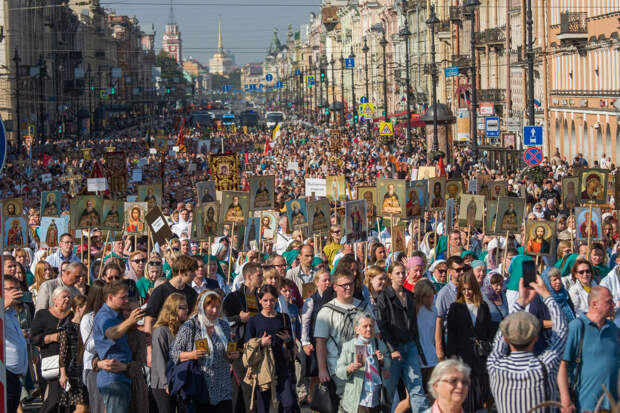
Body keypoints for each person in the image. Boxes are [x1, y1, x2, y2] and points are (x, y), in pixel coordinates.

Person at [487, 275, 568, 413]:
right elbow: (562, 329)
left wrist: (520, 302)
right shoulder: (546, 365)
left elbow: (500, 337)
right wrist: (546, 294)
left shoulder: (494, 365)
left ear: (507, 339)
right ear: (535, 338)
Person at [315, 270, 375, 401]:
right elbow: (320, 342)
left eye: (351, 284)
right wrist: (322, 369)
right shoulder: (326, 312)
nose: (348, 287)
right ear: (335, 287)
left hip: (364, 366)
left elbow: (373, 336)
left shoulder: (364, 307)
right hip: (339, 367)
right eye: (344, 285)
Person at [376, 262, 428, 412]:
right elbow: (382, 326)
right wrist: (391, 349)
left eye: (402, 273)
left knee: (416, 386)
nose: (401, 276)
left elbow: (413, 325)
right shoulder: (384, 297)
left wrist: (418, 348)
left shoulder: (410, 296)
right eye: (397, 273)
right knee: (389, 390)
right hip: (393, 347)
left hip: (410, 345)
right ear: (390, 275)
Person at [558, 286, 618, 412]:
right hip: (586, 405)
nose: (613, 304)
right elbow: (562, 365)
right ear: (594, 304)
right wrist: (565, 399)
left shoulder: (613, 329)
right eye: (608, 301)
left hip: (612, 404)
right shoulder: (577, 327)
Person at [244, 285, 298, 413]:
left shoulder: (283, 318)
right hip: (262, 366)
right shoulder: (254, 321)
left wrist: (288, 340)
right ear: (260, 300)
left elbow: (290, 346)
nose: (269, 303)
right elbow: (247, 346)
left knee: (288, 403)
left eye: (272, 300)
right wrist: (260, 343)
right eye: (265, 300)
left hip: (281, 365)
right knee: (263, 405)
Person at [93, 280, 145, 412]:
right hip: (113, 378)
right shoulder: (105, 316)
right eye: (123, 297)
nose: (126, 300)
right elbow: (112, 333)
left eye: (127, 297)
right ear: (110, 297)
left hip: (123, 377)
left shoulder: (117, 315)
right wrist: (129, 321)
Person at [446, 272, 493, 412]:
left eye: (469, 289)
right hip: (462, 353)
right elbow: (451, 332)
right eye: (463, 289)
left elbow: (488, 331)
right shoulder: (455, 307)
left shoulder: (483, 307)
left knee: (481, 390)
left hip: (480, 356)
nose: (466, 292)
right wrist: (452, 354)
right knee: (465, 391)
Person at [222, 262, 263, 413]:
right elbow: (222, 320)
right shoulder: (235, 297)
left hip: (255, 349)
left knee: (253, 388)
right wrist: (239, 319)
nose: (262, 278)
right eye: (259, 275)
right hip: (238, 349)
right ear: (248, 276)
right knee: (246, 387)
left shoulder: (260, 298)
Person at [145, 256, 199, 363]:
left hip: (184, 345)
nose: (195, 274)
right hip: (163, 341)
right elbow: (149, 320)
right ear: (181, 271)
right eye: (191, 271)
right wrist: (149, 351)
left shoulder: (192, 293)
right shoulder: (160, 291)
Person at [336, 313, 391, 413]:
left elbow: (388, 362)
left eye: (371, 326)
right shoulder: (349, 346)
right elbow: (339, 371)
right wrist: (349, 368)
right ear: (357, 329)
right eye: (365, 326)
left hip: (376, 397)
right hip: (358, 398)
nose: (369, 329)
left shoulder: (379, 344)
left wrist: (382, 361)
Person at [31, 286, 73, 413]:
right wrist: (51, 337)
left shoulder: (72, 316)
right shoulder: (43, 315)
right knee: (54, 398)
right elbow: (33, 338)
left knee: (69, 400)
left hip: (70, 361)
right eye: (63, 297)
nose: (67, 299)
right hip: (52, 361)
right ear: (55, 299)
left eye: (69, 297)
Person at [150, 292, 189, 413]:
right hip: (162, 383)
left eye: (187, 307)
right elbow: (159, 359)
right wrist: (165, 382)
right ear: (173, 309)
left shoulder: (183, 328)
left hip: (179, 379)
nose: (187, 310)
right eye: (183, 307)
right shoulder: (161, 331)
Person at [59, 294, 89, 413]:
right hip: (74, 372)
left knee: (87, 407)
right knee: (81, 407)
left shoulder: (86, 325)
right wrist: (63, 374)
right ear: (78, 308)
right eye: (87, 307)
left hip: (85, 369)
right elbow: (63, 353)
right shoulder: (67, 327)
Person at [4, 275, 29, 413]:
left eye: (18, 289)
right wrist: (5, 303)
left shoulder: (13, 311)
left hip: (16, 374)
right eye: (11, 289)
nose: (16, 292)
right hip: (5, 372)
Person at [80, 280, 106, 413]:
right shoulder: (88, 318)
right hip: (93, 367)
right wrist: (106, 335)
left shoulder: (110, 316)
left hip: (108, 365)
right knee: (98, 406)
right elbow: (89, 346)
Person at [435, 256, 465, 362]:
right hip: (451, 337)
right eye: (458, 270)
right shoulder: (443, 294)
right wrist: (439, 349)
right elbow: (439, 321)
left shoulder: (467, 290)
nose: (462, 272)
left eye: (463, 269)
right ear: (450, 272)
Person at [414, 279, 439, 399]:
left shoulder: (434, 310)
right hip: (416, 356)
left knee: (432, 392)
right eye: (428, 296)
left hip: (432, 355)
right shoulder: (413, 311)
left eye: (432, 296)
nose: (431, 299)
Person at [482, 272, 508, 337]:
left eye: (501, 285)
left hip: (502, 334)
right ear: (489, 284)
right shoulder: (482, 297)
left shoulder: (502, 295)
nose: (499, 288)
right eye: (496, 285)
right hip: (489, 334)